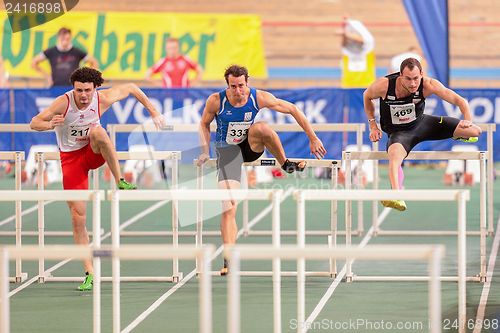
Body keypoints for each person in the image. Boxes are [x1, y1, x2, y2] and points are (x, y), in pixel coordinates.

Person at [30, 67, 165, 290]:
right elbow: (34, 122)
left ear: (95, 89)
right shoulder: (63, 103)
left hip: (93, 152)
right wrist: (49, 125)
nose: (83, 96)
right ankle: (89, 272)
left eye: (87, 91)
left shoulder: (102, 99)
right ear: (73, 88)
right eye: (79, 90)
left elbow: (131, 87)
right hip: (71, 161)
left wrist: (153, 112)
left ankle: (119, 179)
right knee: (78, 218)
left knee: (99, 132)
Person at [198, 65, 326, 274]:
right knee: (228, 206)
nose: (238, 91)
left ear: (247, 82)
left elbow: (293, 109)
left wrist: (313, 137)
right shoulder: (216, 100)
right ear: (227, 85)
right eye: (233, 87)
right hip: (227, 152)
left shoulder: (258, 97)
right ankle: (228, 258)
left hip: (250, 147)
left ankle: (285, 163)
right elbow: (204, 124)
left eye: (241, 86)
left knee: (262, 128)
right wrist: (204, 151)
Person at [363, 57, 481, 211]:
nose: (413, 83)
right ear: (400, 76)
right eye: (408, 79)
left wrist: (467, 119)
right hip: (399, 134)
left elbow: (460, 101)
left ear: (422, 74)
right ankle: (396, 194)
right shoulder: (384, 85)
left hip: (422, 125)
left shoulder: (428, 84)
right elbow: (366, 96)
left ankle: (457, 134)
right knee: (394, 157)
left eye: (416, 78)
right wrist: (373, 126)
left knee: (474, 131)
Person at [32, 27, 99, 87]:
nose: (65, 41)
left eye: (67, 39)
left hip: (73, 87)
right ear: (58, 37)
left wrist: (85, 77)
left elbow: (94, 62)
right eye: (63, 38)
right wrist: (47, 76)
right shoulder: (51, 51)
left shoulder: (77, 51)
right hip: (55, 86)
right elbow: (34, 62)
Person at [338, 16, 376, 88]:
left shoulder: (368, 47)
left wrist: (346, 32)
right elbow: (344, 42)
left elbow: (364, 39)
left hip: (366, 86)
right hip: (348, 87)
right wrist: (346, 26)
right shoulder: (346, 50)